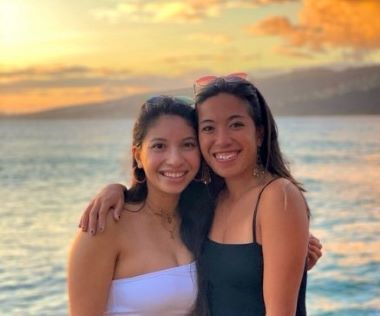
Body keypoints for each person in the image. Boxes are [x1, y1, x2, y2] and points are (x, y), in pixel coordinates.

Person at [80, 74, 323, 315]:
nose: (222, 139)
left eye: (236, 124)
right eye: (208, 128)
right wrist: (118, 190)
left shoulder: (277, 196)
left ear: (259, 134)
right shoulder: (208, 200)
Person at [67, 96, 213, 315]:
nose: (174, 159)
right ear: (138, 156)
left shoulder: (205, 215)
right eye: (159, 146)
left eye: (188, 145)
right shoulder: (105, 224)